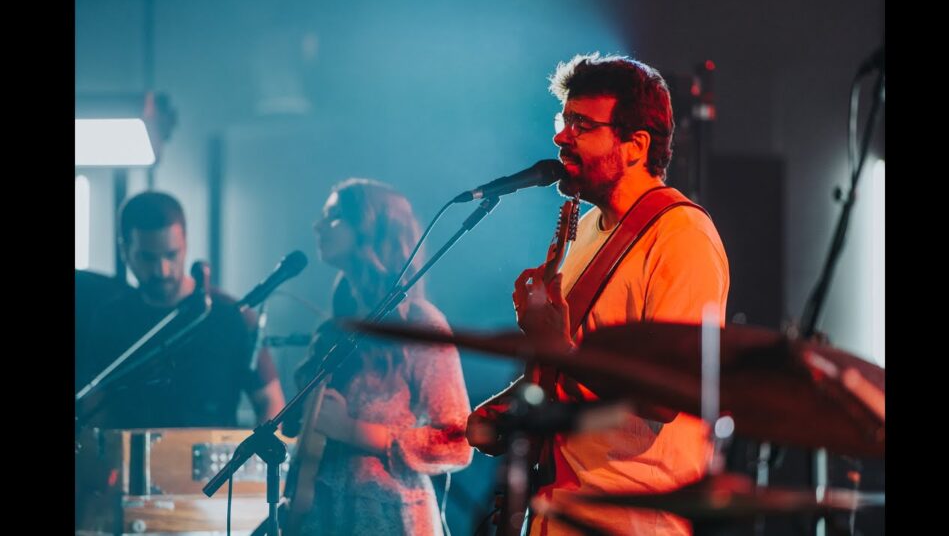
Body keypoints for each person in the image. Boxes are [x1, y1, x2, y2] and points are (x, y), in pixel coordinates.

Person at [467, 53, 730, 535]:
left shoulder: (682, 237)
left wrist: (558, 348)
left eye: (582, 125)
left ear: (635, 145)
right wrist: (511, 407)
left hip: (629, 520)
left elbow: (666, 396)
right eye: (564, 121)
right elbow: (577, 374)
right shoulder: (588, 227)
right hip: (557, 513)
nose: (561, 137)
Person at [290, 179, 473, 535]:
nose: (318, 226)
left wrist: (353, 431)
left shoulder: (419, 323)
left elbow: (458, 443)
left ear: (371, 227)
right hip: (324, 518)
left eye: (334, 216)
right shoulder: (332, 329)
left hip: (392, 517)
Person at [76, 191, 285, 428]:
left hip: (216, 452)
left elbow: (270, 402)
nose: (162, 270)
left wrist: (255, 450)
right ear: (125, 251)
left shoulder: (232, 315)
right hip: (132, 451)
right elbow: (95, 408)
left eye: (171, 255)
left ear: (185, 244)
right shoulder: (109, 319)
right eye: (147, 257)